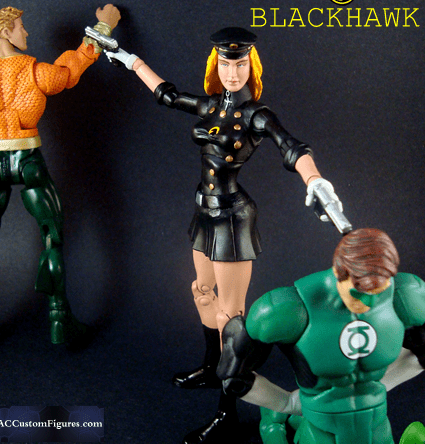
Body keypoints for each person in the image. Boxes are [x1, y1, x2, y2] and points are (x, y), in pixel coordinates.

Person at [105, 26, 344, 443]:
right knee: (202, 293)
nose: (232, 73)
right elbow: (166, 94)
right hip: (204, 211)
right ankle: (209, 366)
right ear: (215, 66)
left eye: (240, 64)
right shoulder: (210, 106)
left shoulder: (256, 116)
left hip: (233, 218)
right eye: (225, 64)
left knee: (229, 320)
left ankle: (227, 410)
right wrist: (128, 59)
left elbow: (292, 147)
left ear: (251, 67)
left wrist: (316, 181)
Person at [0, 4, 121, 347]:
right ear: (6, 31)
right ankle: (59, 318)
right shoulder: (33, 71)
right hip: (29, 160)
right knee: (52, 238)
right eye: (20, 26)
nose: (26, 32)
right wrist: (103, 27)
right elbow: (70, 71)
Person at [218, 228, 425, 444]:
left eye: (378, 292)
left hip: (377, 421)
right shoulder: (289, 310)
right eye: (359, 292)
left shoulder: (405, 296)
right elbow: (234, 378)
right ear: (339, 273)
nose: (369, 303)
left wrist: (377, 389)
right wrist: (287, 403)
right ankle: (274, 423)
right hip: (320, 426)